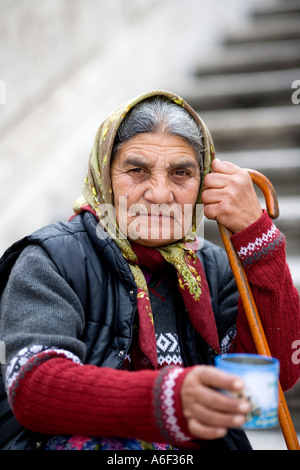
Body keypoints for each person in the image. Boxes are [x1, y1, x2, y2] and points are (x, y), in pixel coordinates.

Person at [0, 90, 299, 451]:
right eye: (137, 170)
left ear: (203, 185)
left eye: (181, 174)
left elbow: (274, 376)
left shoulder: (212, 268)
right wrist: (170, 398)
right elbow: (34, 386)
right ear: (104, 178)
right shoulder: (52, 260)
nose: (159, 194)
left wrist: (258, 236)